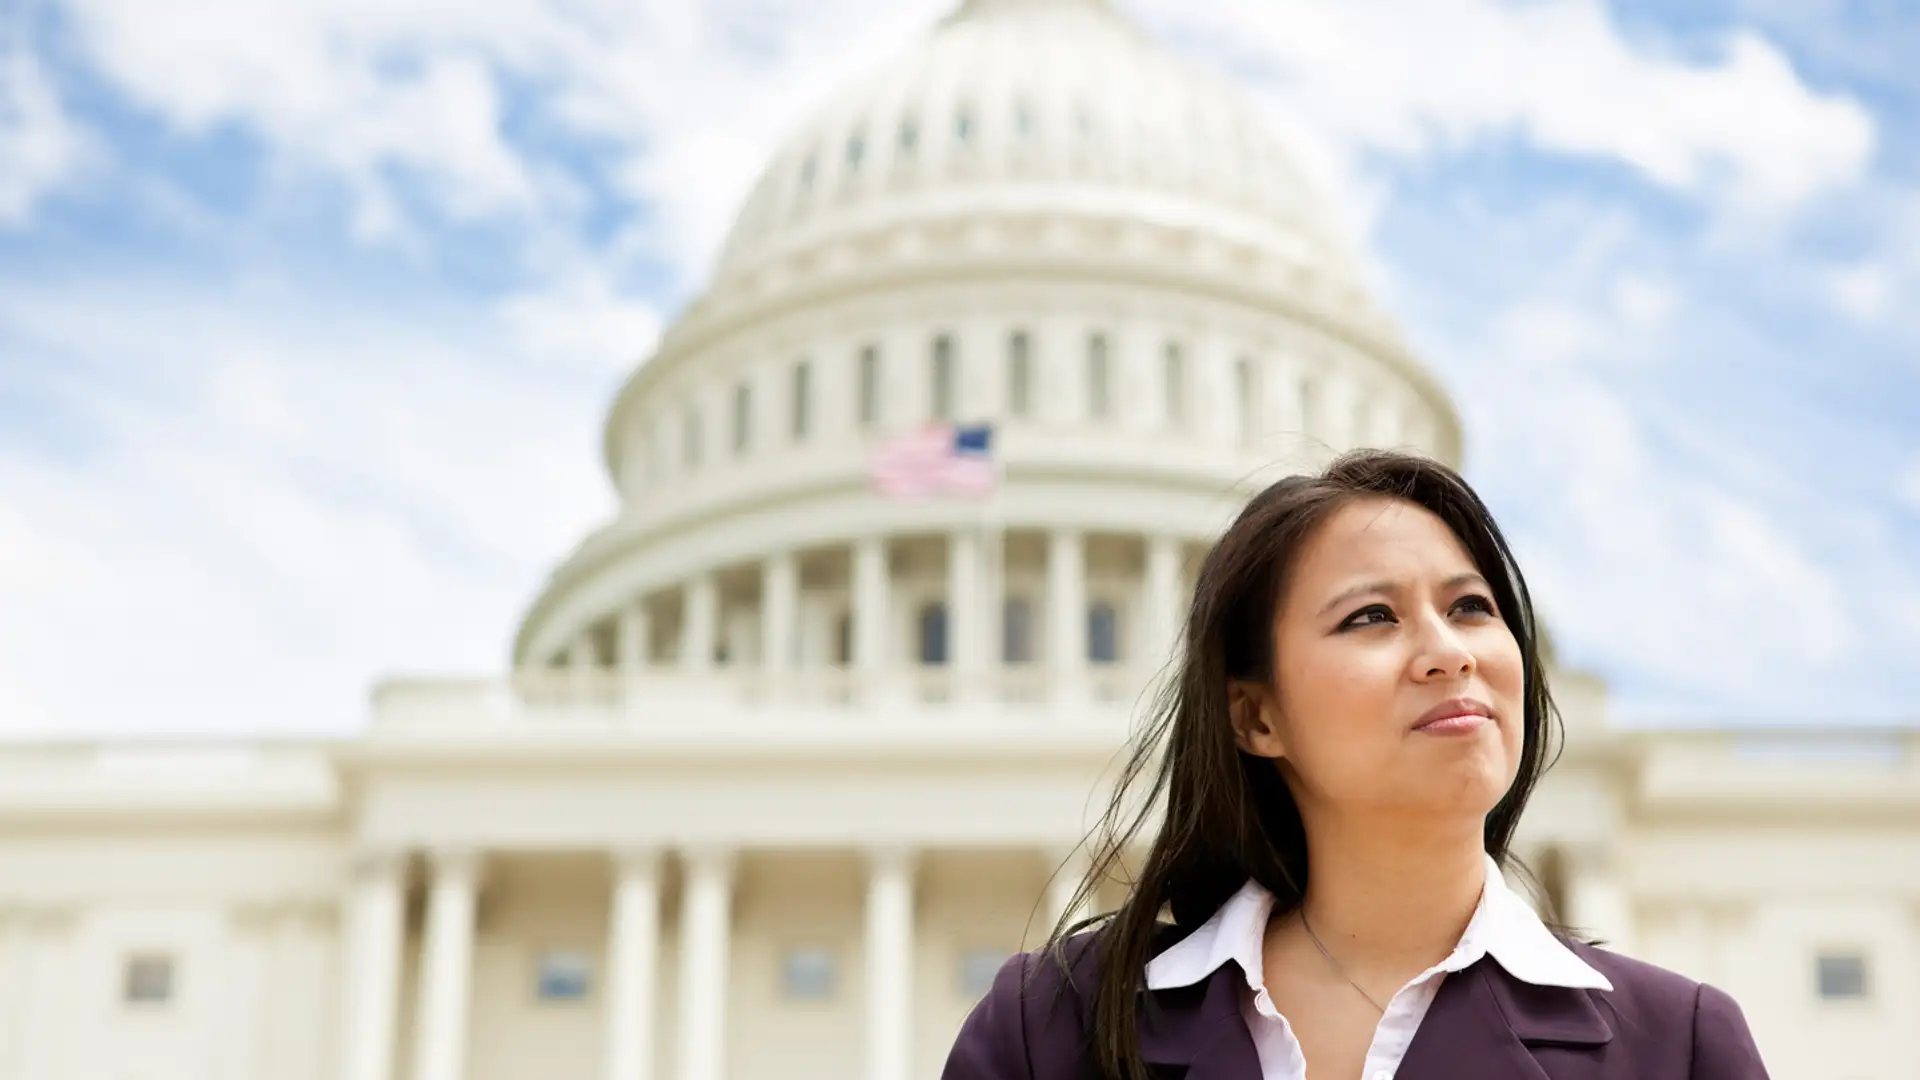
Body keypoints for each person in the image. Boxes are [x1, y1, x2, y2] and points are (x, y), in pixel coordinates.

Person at [943, 450, 1769, 1080]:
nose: (1448, 654)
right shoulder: (1054, 1029)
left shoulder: (1674, 1048)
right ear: (1257, 716)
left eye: (1470, 607)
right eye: (1372, 617)